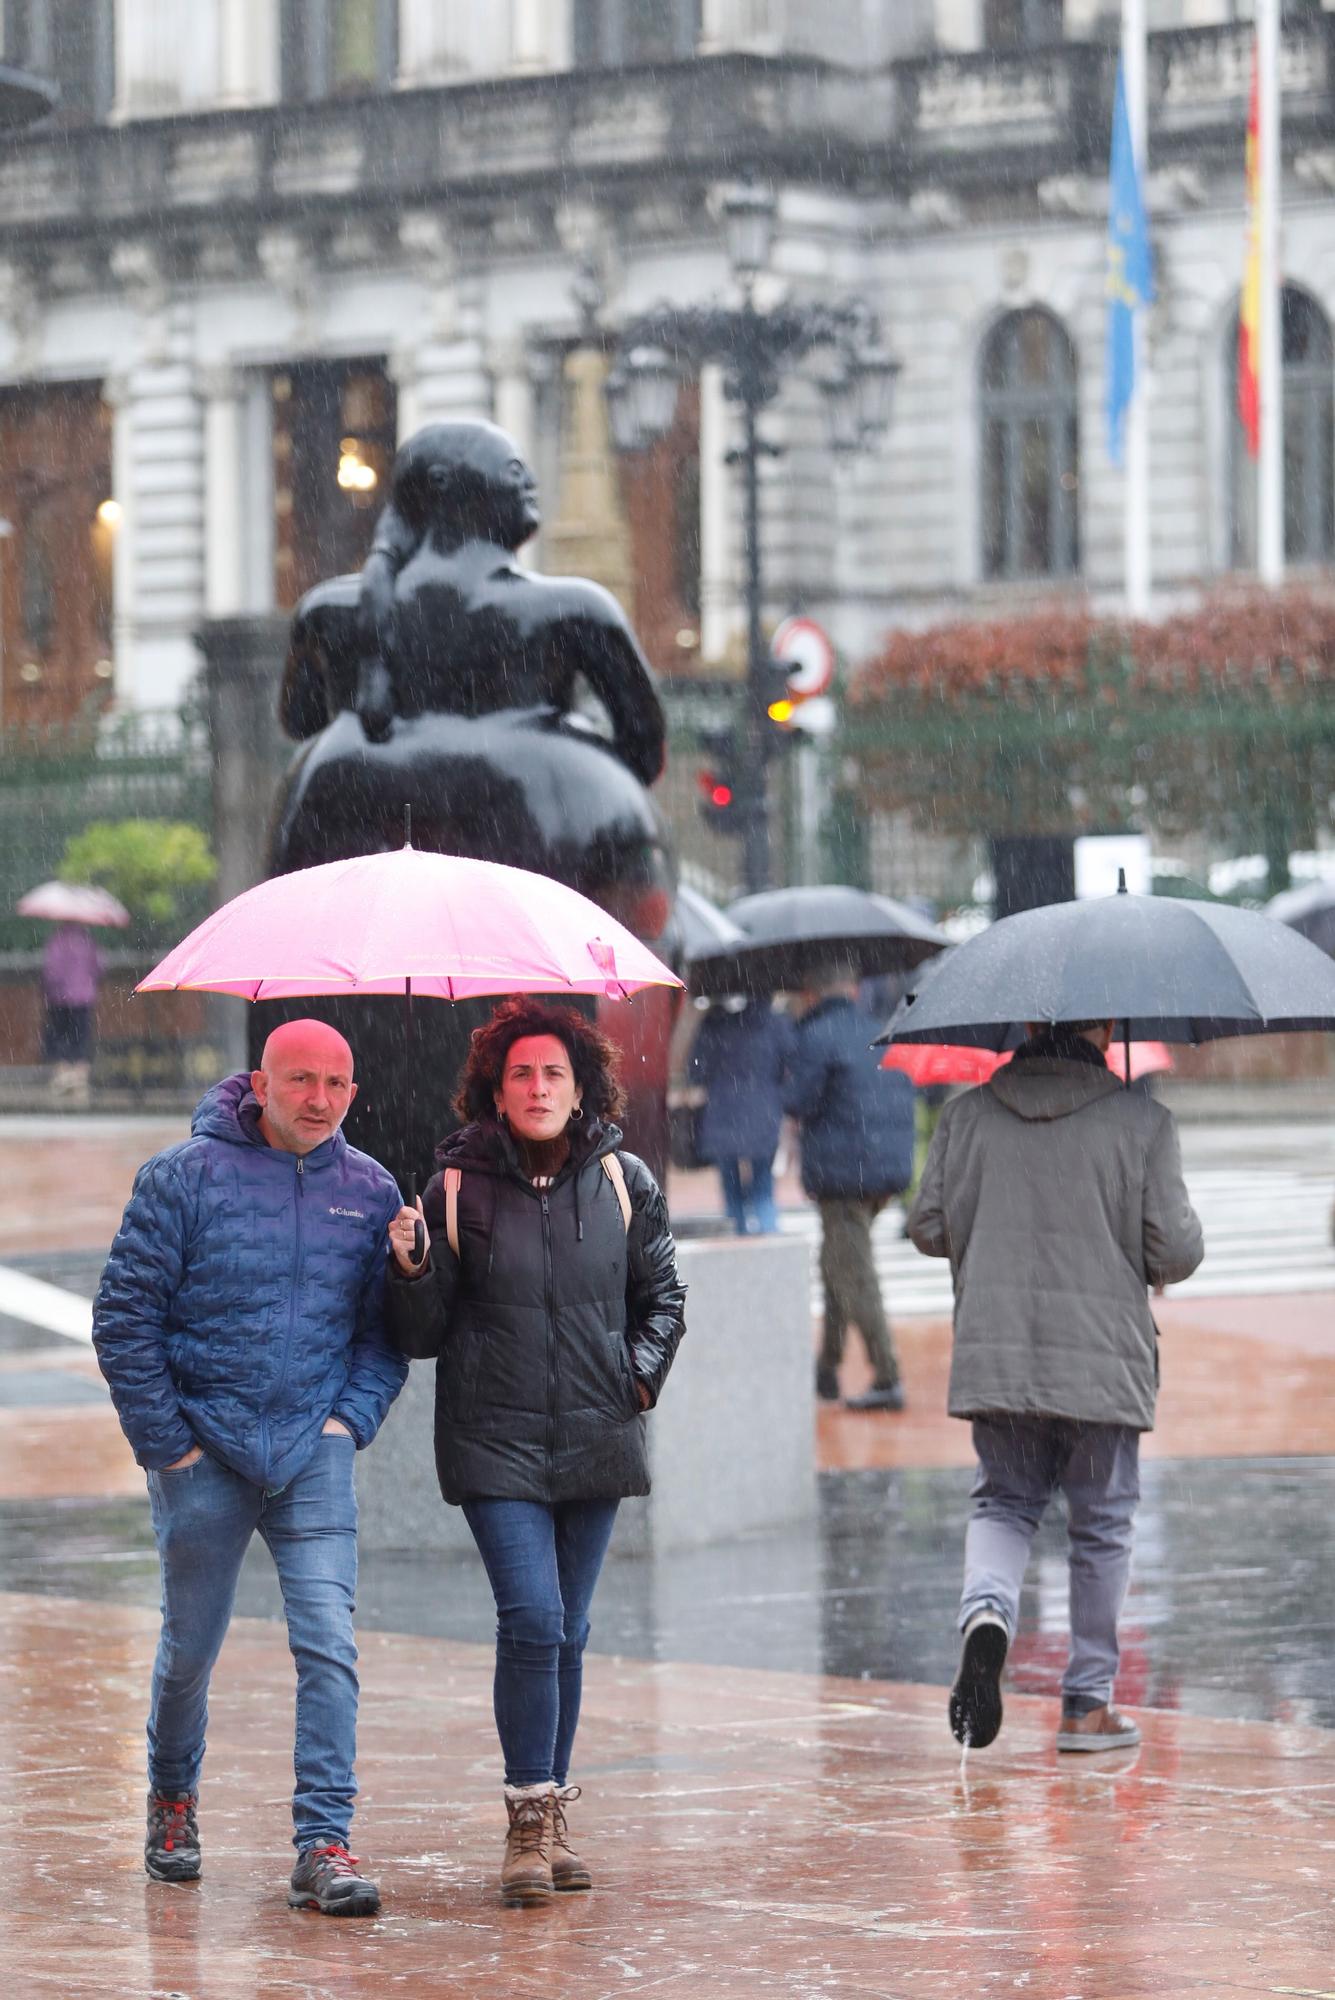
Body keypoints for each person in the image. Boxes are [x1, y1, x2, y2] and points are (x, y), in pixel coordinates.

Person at [92, 1021, 408, 1915]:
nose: (318, 1099)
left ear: (354, 1092)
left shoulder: (371, 1190)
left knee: (329, 1645)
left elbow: (383, 1339)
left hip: (314, 1452)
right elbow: (124, 1322)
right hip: (203, 1454)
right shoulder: (181, 1178)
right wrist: (172, 1448)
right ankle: (172, 1798)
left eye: (336, 1083)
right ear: (259, 1084)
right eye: (300, 1080)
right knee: (190, 1650)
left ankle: (324, 1843)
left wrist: (348, 1424)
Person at [384, 998, 686, 1908]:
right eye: (520, 1073)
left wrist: (631, 1379)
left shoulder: (624, 1177)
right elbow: (423, 1332)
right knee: (534, 1619)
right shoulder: (455, 1185)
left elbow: (662, 1294)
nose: (538, 1086)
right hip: (495, 1441)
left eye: (554, 1071)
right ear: (495, 1089)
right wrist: (410, 1269)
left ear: (581, 1084)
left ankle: (550, 1815)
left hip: (595, 1432)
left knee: (571, 1628)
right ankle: (526, 1819)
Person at [908, 1019, 1204, 1755]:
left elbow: (927, 1226)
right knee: (1100, 1527)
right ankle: (1085, 1704)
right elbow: (1174, 1251)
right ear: (1104, 1029)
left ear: (1029, 1028)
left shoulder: (967, 1115)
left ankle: (986, 1614)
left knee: (1004, 1504)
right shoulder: (1143, 1122)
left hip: (997, 1353)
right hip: (1101, 1363)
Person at [785, 967, 916, 1411]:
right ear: (856, 990)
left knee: (854, 1273)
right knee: (837, 1262)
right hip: (885, 1167)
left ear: (809, 993)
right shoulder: (880, 1030)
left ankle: (887, 1375)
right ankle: (828, 1365)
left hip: (844, 1173)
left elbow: (799, 1100)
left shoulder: (816, 1035)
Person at [687, 995, 794, 1235]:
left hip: (723, 1110)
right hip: (764, 1109)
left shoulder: (714, 1024)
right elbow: (790, 1062)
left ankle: (738, 1237)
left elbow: (696, 1070)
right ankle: (769, 1236)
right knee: (764, 1185)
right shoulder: (775, 1023)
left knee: (731, 1186)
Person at [41, 919, 101, 1102]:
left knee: (60, 1036)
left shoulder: (56, 942)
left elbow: (51, 972)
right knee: (81, 1037)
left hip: (59, 999)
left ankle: (62, 1075)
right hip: (84, 998)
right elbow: (99, 967)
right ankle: (79, 1078)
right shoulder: (88, 942)